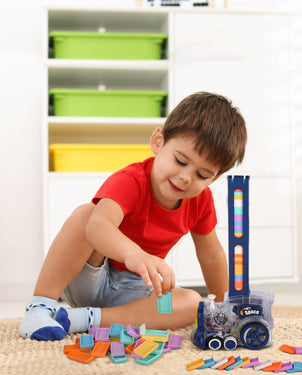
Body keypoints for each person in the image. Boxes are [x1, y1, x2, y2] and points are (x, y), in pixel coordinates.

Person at [19, 92, 247, 341]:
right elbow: (98, 227)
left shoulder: (201, 202)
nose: (185, 177)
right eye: (180, 161)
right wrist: (135, 255)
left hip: (136, 292)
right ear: (158, 141)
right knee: (87, 214)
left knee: (192, 303)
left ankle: (84, 319)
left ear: (214, 178)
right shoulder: (131, 180)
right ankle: (40, 307)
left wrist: (225, 305)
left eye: (202, 175)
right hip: (93, 275)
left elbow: (211, 255)